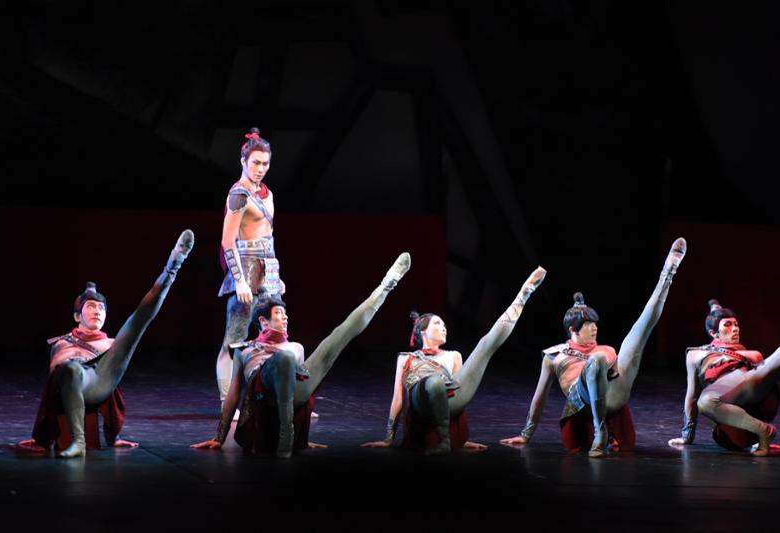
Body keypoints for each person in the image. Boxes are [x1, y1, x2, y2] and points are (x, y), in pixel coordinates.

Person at [193, 252, 411, 458]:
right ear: (263, 321)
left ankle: (386, 286)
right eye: (280, 314)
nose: (286, 318)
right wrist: (219, 437)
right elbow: (233, 396)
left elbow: (300, 396)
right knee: (283, 358)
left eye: (285, 314)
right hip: (264, 394)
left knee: (337, 336)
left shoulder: (295, 347)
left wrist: (302, 439)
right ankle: (286, 432)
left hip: (290, 392)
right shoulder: (244, 350)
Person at [500, 238, 686, 457]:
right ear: (573, 329)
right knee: (596, 360)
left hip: (613, 394)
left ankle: (668, 273)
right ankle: (600, 432)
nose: (595, 328)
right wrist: (526, 433)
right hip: (583, 401)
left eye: (595, 323)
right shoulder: (554, 356)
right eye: (589, 325)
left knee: (639, 332)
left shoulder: (606, 349)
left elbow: (617, 372)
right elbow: (539, 397)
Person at [18, 230, 194, 458]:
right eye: (91, 306)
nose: (97, 311)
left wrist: (114, 436)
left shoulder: (111, 344)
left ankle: (173, 266)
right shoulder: (62, 342)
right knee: (71, 368)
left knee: (137, 321)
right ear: (77, 316)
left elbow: (137, 322)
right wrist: (42, 436)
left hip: (101, 380)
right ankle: (78, 442)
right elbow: (53, 384)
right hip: (75, 380)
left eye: (101, 308)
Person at [362, 266, 547, 455]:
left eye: (444, 324)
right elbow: (398, 398)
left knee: (484, 345)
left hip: (448, 400)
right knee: (433, 382)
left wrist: (462, 440)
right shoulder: (406, 358)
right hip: (422, 402)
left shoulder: (453, 355)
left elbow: (459, 398)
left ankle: (523, 295)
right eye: (437, 323)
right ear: (422, 331)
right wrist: (388, 438)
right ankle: (443, 441)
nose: (444, 328)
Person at [667, 299, 780, 456]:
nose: (735, 329)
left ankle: (762, 433)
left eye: (736, 324)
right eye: (728, 325)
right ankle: (763, 431)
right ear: (713, 333)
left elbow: (761, 402)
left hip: (749, 383)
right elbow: (692, 396)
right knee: (705, 402)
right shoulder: (696, 354)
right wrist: (687, 435)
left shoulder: (752, 354)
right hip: (724, 395)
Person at [216, 127, 284, 403]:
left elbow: (268, 236)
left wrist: (276, 275)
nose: (260, 169)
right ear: (243, 161)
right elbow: (227, 241)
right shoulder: (239, 194)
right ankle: (227, 402)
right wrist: (240, 280)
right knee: (234, 341)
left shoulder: (268, 194)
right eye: (256, 163)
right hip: (245, 270)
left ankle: (278, 397)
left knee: (274, 337)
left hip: (268, 271)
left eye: (265, 163)